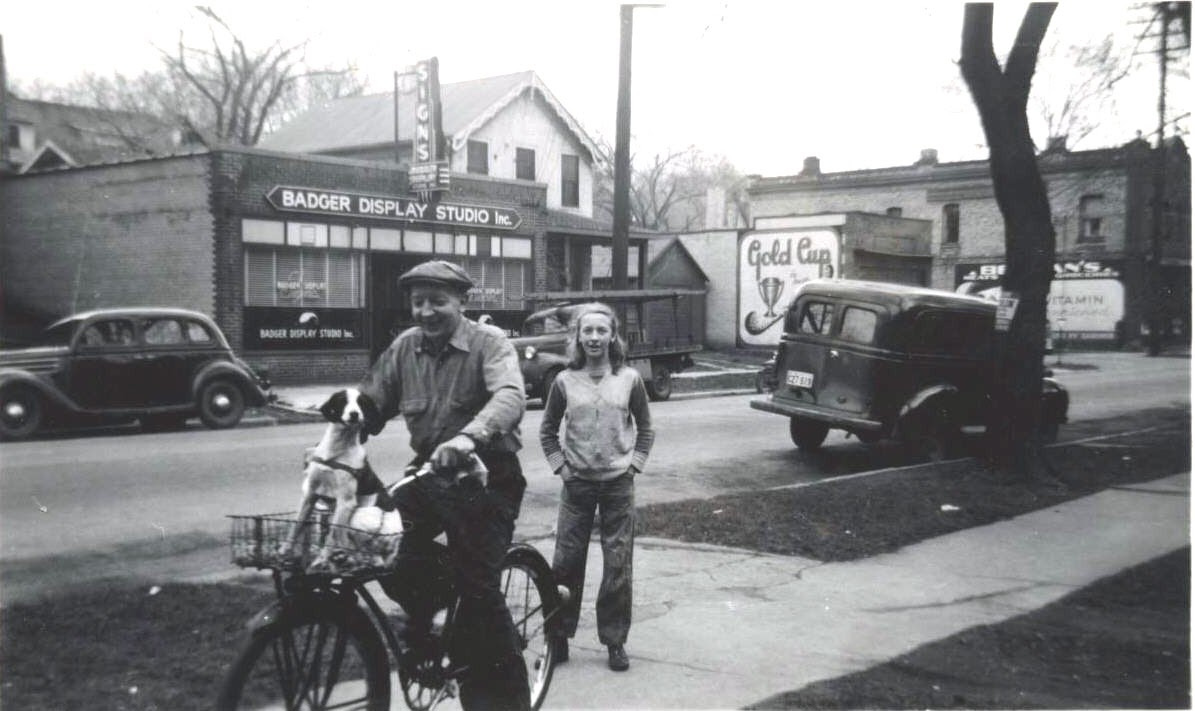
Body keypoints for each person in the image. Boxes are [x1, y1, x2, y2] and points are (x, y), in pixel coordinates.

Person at [357, 260, 530, 711]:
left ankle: (505, 700)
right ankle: (435, 609)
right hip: (431, 473)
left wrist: (468, 436)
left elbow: (510, 395)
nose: (427, 311)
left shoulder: (489, 344)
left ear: (462, 302)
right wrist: (336, 437)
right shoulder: (404, 348)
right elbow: (370, 403)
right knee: (379, 543)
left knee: (479, 591)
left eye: (438, 301)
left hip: (488, 474)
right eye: (418, 302)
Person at [539, 302, 655, 672]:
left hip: (618, 486)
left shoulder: (629, 379)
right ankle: (558, 637)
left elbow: (646, 429)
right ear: (577, 336)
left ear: (612, 336)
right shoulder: (563, 381)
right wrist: (562, 469)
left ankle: (615, 641)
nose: (594, 338)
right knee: (565, 564)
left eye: (601, 331)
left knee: (617, 564)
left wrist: (633, 466)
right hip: (577, 487)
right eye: (586, 331)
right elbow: (547, 432)